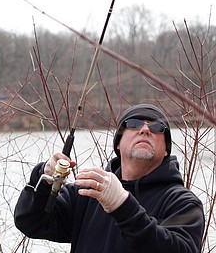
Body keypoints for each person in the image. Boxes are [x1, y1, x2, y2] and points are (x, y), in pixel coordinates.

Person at [14, 104, 205, 253]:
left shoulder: (183, 203)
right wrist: (45, 179)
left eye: (156, 127)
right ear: (118, 144)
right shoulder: (87, 193)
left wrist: (123, 207)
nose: (145, 130)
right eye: (134, 124)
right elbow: (30, 222)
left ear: (166, 151)